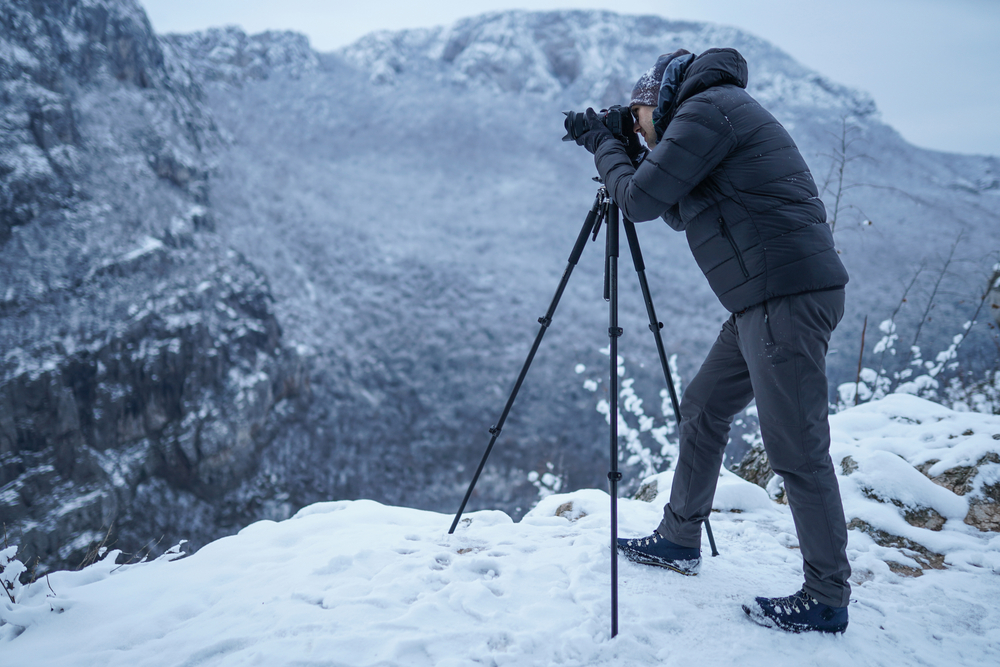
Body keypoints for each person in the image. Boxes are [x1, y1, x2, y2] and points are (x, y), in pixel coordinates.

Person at [572, 48, 852, 634]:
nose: (638, 124)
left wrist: (608, 148)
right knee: (702, 407)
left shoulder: (708, 111)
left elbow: (641, 201)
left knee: (797, 451)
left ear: (660, 99)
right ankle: (680, 538)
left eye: (639, 113)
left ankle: (826, 597)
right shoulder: (712, 116)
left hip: (784, 299)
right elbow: (676, 205)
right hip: (764, 301)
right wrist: (625, 146)